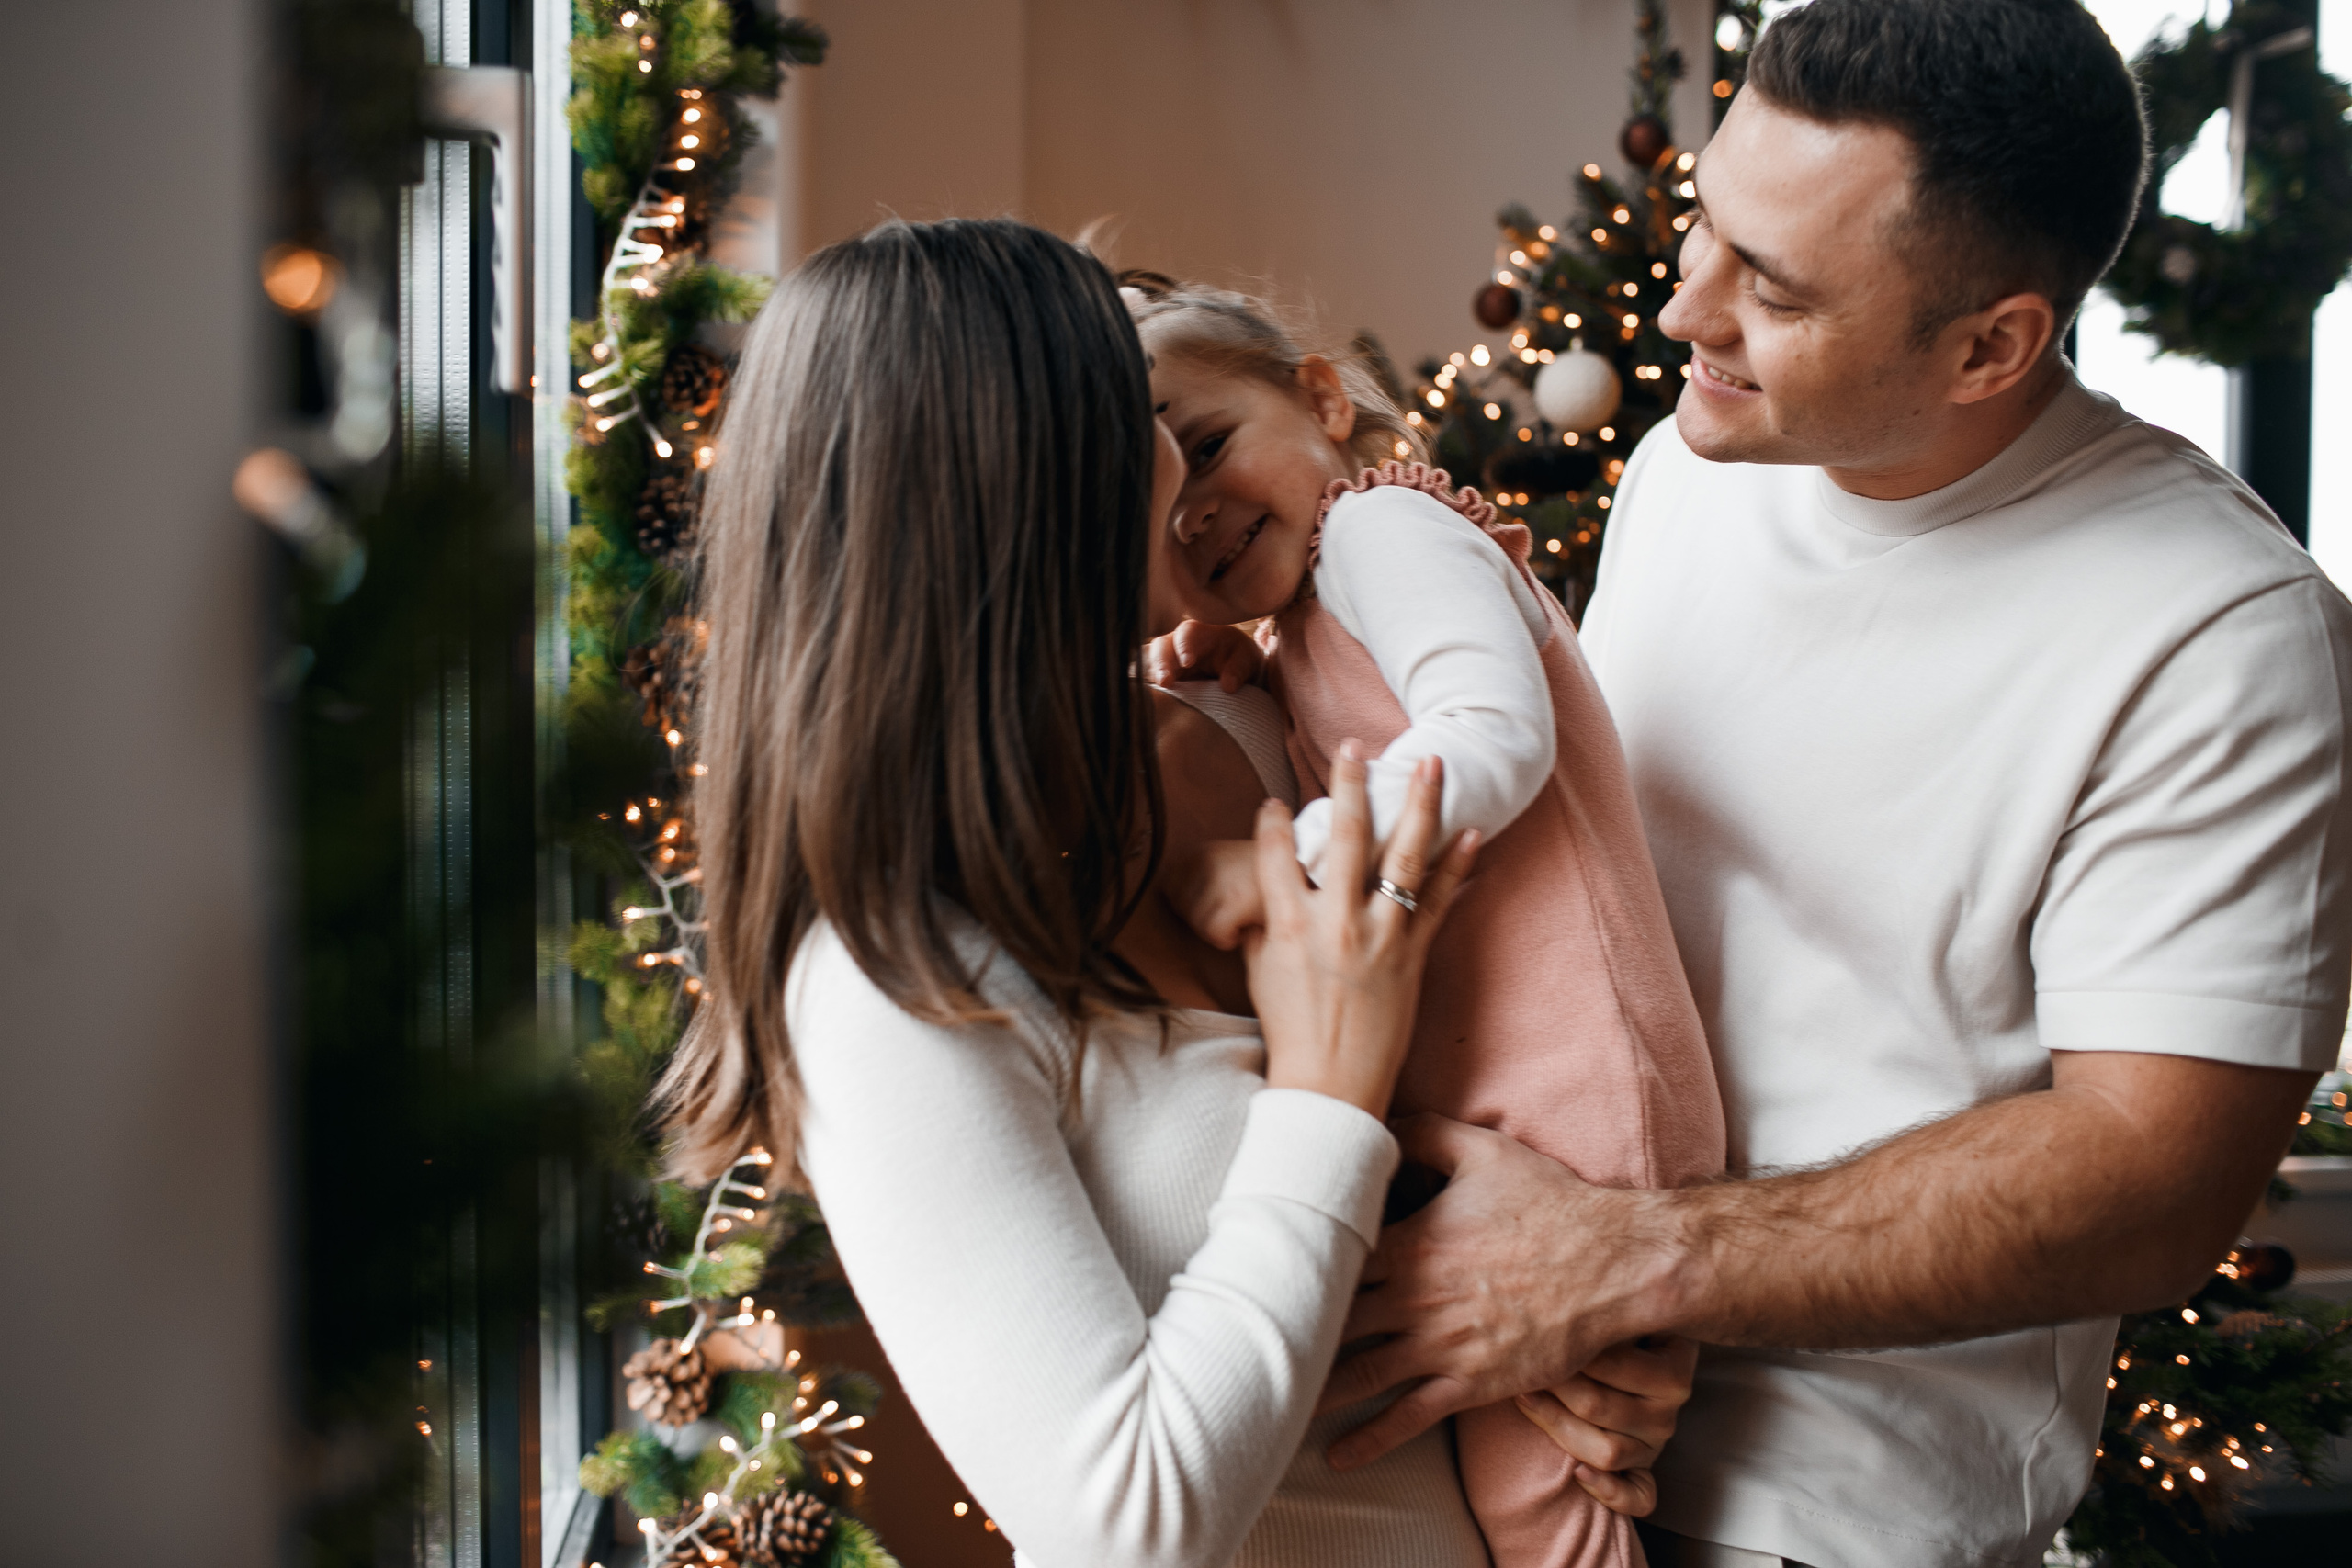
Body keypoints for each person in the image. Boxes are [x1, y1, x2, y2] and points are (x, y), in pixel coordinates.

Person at [1317, 5, 2352, 1567]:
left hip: (1825, 1518)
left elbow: (2154, 1180)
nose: (1686, 309)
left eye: (1776, 289)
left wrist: (1618, 1267)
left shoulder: (2222, 633)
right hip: (1518, 1411)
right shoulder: (1694, 465)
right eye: (1705, 229)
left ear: (1992, 344)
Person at [654, 217, 1687, 1568]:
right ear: (1042, 488)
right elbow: (1120, 1523)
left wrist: (1575, 1280)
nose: (1169, 455)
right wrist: (1327, 1093)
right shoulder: (887, 980)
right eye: (1133, 410)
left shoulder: (1231, 739)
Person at [1128, 275, 1724, 1568]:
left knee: (1544, 1501)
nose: (1200, 511)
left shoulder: (1382, 528)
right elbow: (1380, 707)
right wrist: (1256, 662)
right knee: (1538, 1481)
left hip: (1579, 1094)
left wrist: (1291, 863)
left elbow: (1490, 732)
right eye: (1163, 515)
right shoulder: (1322, 598)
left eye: (1211, 446)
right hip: (1530, 1100)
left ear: (1322, 398)